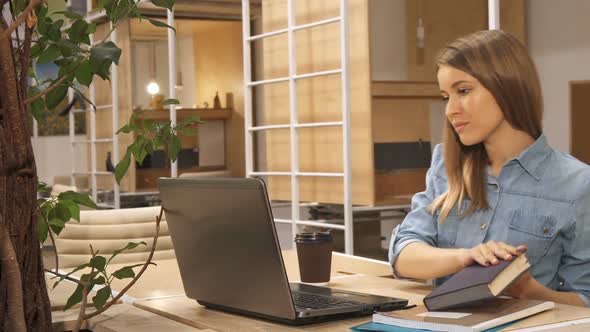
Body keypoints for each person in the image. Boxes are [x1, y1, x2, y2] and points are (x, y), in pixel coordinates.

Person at [388, 30, 590, 307]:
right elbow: (403, 254)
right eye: (446, 96)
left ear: (506, 87)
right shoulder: (445, 164)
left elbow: (585, 299)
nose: (450, 110)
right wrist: (466, 257)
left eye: (463, 91)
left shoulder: (578, 183)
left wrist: (528, 291)